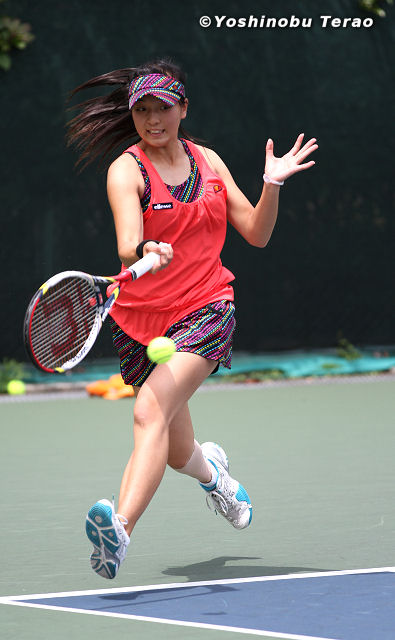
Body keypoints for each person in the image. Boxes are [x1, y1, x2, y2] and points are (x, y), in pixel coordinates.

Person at [67, 59, 318, 580]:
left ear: (183, 109)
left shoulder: (209, 162)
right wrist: (145, 249)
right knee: (177, 449)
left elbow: (257, 233)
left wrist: (271, 184)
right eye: (142, 110)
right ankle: (217, 479)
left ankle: (119, 532)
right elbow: (127, 243)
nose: (152, 119)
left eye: (162, 108)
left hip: (206, 306)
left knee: (148, 413)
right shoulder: (126, 170)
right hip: (139, 322)